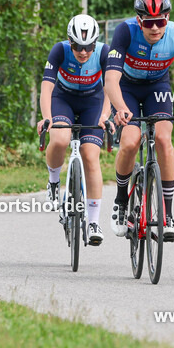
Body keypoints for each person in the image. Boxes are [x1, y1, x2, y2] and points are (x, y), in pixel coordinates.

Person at [104, 0, 174, 241]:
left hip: (158, 88)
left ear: (167, 19)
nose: (155, 28)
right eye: (149, 22)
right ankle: (121, 201)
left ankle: (167, 214)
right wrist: (120, 107)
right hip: (127, 89)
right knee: (131, 141)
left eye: (161, 21)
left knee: (165, 140)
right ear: (138, 20)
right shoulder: (125, 31)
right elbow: (111, 79)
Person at [38, 14, 112, 246]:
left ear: (95, 43)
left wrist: (105, 116)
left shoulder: (103, 52)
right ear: (70, 42)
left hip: (93, 101)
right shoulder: (59, 51)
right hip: (64, 99)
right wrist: (47, 117)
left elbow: (111, 86)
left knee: (91, 156)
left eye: (88, 46)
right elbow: (47, 87)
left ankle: (93, 222)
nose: (83, 52)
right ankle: (52, 182)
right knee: (59, 139)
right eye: (78, 47)